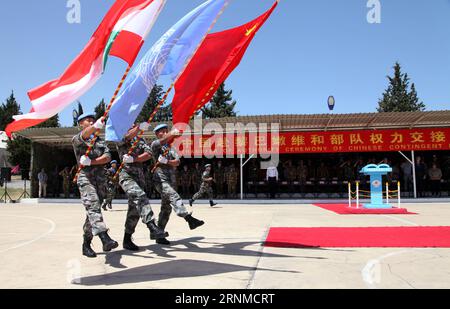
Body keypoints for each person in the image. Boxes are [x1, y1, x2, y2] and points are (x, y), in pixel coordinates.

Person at [72, 113, 118, 258]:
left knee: (92, 212)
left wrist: (91, 162)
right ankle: (104, 237)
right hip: (85, 179)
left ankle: (86, 243)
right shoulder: (78, 139)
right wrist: (95, 126)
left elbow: (108, 157)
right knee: (93, 205)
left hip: (100, 181)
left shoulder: (99, 141)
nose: (91, 122)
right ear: (80, 124)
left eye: (93, 120)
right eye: (88, 120)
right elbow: (85, 135)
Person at [151, 124, 204, 246]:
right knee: (174, 196)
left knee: (166, 209)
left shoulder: (170, 148)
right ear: (157, 134)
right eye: (162, 131)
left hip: (171, 180)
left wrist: (167, 161)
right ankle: (189, 219)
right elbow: (163, 140)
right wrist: (172, 133)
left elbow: (177, 162)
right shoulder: (155, 145)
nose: (165, 133)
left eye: (166, 131)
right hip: (160, 180)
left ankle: (159, 234)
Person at [116, 123, 167, 250]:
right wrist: (138, 128)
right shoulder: (120, 136)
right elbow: (126, 138)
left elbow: (149, 154)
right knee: (140, 196)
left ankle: (127, 239)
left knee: (134, 211)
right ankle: (152, 226)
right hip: (126, 176)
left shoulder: (140, 139)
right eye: (131, 123)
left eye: (135, 123)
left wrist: (135, 159)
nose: (133, 125)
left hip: (139, 178)